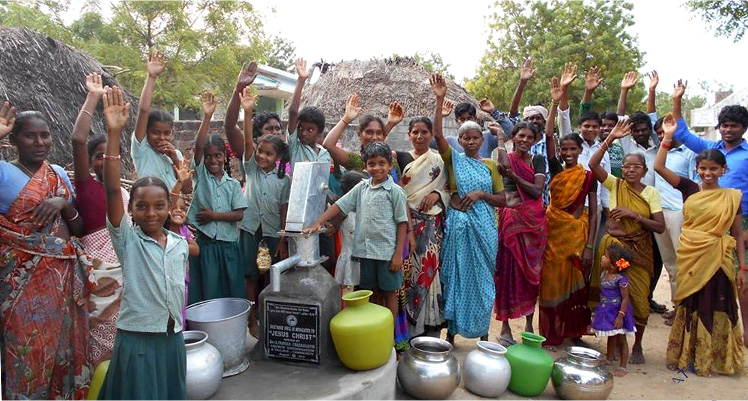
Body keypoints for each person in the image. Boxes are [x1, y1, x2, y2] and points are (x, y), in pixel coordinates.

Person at [99, 86, 188, 399]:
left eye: (159, 206)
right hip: (137, 339)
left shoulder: (178, 245)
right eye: (141, 206)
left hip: (172, 338)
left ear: (169, 206)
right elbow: (111, 189)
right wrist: (113, 133)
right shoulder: (128, 241)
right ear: (131, 211)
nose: (151, 213)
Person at [0, 101, 90, 399]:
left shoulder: (58, 175)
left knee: (62, 354)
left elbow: (79, 230)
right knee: (26, 356)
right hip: (21, 288)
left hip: (62, 285)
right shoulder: (3, 173)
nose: (40, 142)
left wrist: (63, 204)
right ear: (13, 141)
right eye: (30, 136)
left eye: (45, 135)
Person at [656, 114, 746, 376]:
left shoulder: (733, 197)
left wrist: (743, 269)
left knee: (719, 303)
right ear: (697, 170)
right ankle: (690, 355)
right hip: (692, 258)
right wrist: (668, 137)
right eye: (703, 169)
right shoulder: (689, 189)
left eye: (713, 169)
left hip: (719, 259)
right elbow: (660, 168)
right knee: (692, 303)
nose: (708, 173)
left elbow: (738, 234)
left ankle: (717, 359)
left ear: (723, 171)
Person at [670, 80, 748, 346]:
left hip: (738, 222)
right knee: (705, 285)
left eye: (734, 126)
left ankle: (744, 334)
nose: (728, 130)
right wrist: (678, 99)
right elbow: (681, 133)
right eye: (724, 125)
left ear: (743, 129)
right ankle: (697, 339)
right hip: (704, 228)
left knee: (740, 280)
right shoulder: (711, 153)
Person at [430, 74, 506, 342]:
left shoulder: (490, 166)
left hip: (484, 230)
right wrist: (439, 100)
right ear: (460, 141)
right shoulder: (453, 161)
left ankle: (484, 337)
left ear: (480, 139)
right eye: (467, 138)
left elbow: (503, 199)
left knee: (482, 283)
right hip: (459, 229)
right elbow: (437, 134)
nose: (471, 141)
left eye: (475, 138)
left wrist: (482, 194)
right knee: (455, 279)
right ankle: (451, 335)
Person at [304, 142, 409, 330]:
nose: (377, 168)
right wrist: (318, 221)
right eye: (372, 163)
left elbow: (402, 223)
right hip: (365, 253)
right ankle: (374, 330)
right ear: (365, 166)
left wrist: (398, 254)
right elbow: (340, 205)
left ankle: (388, 334)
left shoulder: (395, 192)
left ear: (390, 165)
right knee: (372, 293)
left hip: (387, 254)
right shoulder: (361, 188)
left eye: (382, 163)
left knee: (389, 293)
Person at [588, 120, 665, 365]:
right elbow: (592, 164)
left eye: (636, 167)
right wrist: (610, 137)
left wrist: (635, 216)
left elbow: (660, 226)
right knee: (611, 295)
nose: (630, 170)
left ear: (644, 170)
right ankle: (614, 343)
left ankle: (638, 345)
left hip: (639, 251)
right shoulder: (615, 184)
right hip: (615, 248)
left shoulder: (650, 193)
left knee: (640, 300)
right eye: (627, 166)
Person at [71, 72, 130, 368]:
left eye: (110, 155)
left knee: (126, 336)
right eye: (98, 156)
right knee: (100, 338)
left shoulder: (125, 193)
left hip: (126, 268)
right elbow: (78, 139)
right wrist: (93, 96)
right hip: (99, 272)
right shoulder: (85, 186)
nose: (104, 160)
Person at [539, 77, 598, 347]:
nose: (568, 152)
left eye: (573, 149)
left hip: (577, 237)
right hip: (554, 234)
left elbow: (595, 213)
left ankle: (574, 332)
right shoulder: (555, 168)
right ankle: (551, 332)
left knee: (577, 283)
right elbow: (549, 134)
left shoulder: (588, 176)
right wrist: (555, 101)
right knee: (551, 282)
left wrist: (589, 246)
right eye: (565, 149)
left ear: (581, 150)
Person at [238, 86, 291, 337]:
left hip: (271, 232)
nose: (262, 156)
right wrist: (248, 113)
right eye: (260, 152)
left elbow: (284, 209)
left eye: (269, 154)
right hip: (250, 229)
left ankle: (269, 317)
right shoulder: (251, 170)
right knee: (250, 276)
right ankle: (251, 319)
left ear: (278, 157)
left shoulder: (284, 181)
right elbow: (248, 141)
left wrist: (282, 238)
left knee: (270, 277)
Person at [187, 92, 248, 302]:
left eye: (218, 155)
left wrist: (214, 215)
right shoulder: (201, 178)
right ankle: (207, 331)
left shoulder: (232, 184)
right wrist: (207, 117)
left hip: (229, 246)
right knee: (209, 292)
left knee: (231, 291)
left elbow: (239, 215)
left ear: (225, 156)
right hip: (207, 245)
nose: (212, 160)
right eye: (209, 156)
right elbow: (199, 147)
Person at [493, 121, 547, 345]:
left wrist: (515, 178)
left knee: (531, 277)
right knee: (507, 274)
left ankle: (529, 324)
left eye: (529, 137)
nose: (525, 140)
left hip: (534, 225)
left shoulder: (538, 160)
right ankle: (505, 327)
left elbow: (536, 190)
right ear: (513, 137)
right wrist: (499, 140)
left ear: (535, 141)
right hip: (511, 224)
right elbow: (504, 167)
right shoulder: (503, 154)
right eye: (520, 136)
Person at [396, 116, 451, 338]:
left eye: (424, 132)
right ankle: (408, 328)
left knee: (429, 271)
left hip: (431, 225)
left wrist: (436, 193)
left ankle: (429, 324)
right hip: (405, 224)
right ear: (408, 134)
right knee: (408, 273)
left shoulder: (439, 160)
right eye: (415, 132)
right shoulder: (398, 157)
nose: (419, 136)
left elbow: (449, 189)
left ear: (431, 134)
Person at [131, 50, 187, 191]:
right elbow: (143, 110)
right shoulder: (141, 149)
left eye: (166, 133)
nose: (162, 138)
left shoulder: (176, 155)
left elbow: (187, 189)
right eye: (155, 132)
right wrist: (151, 76)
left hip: (172, 210)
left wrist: (175, 158)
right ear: (146, 132)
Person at [322, 93, 404, 176]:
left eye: (378, 133)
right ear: (359, 135)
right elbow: (328, 145)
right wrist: (346, 119)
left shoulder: (392, 160)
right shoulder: (356, 161)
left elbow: (401, 187)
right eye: (369, 132)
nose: (375, 137)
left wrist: (390, 124)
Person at [591, 243, 636, 377]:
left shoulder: (621, 280)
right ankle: (609, 359)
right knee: (611, 335)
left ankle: (623, 366)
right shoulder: (604, 274)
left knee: (621, 338)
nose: (602, 257)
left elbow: (625, 299)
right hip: (606, 310)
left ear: (613, 264)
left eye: (605, 256)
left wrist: (620, 316)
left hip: (618, 312)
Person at [167, 163, 200, 321]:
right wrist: (180, 183)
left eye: (183, 208)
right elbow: (169, 202)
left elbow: (195, 249)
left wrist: (177, 244)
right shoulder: (163, 230)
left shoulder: (183, 232)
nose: (179, 210)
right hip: (165, 283)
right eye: (175, 208)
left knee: (181, 314)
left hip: (182, 282)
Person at [334, 171, 368, 294]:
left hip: (358, 258)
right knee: (350, 291)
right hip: (352, 257)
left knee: (353, 291)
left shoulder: (363, 211)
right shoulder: (344, 212)